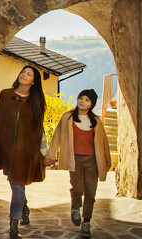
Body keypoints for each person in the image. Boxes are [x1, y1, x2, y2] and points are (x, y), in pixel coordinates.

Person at [0, 65, 47, 239]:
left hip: (26, 152)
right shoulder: (5, 95)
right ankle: (24, 207)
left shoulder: (36, 102)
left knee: (17, 184)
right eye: (23, 72)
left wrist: (44, 152)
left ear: (33, 81)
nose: (24, 75)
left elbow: (40, 129)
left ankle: (14, 225)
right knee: (15, 182)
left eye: (28, 74)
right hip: (6, 147)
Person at [44, 89, 111, 238]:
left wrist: (106, 162)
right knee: (78, 188)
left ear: (92, 104)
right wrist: (50, 155)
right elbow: (56, 137)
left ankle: (86, 220)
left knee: (90, 192)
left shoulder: (96, 121)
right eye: (81, 98)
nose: (82, 101)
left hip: (92, 161)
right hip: (75, 160)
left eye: (87, 100)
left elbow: (104, 143)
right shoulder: (67, 117)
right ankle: (75, 207)